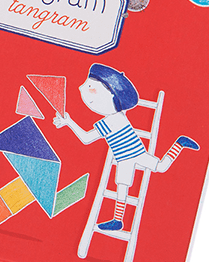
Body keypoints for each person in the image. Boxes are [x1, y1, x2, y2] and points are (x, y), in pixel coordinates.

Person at [53, 64, 198, 230]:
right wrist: (68, 122)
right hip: (127, 157)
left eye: (91, 88)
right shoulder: (114, 118)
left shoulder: (111, 121)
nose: (81, 89)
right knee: (125, 185)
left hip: (132, 155)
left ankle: (179, 143)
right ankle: (118, 220)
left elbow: (86, 138)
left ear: (111, 95)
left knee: (150, 173)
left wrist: (69, 122)